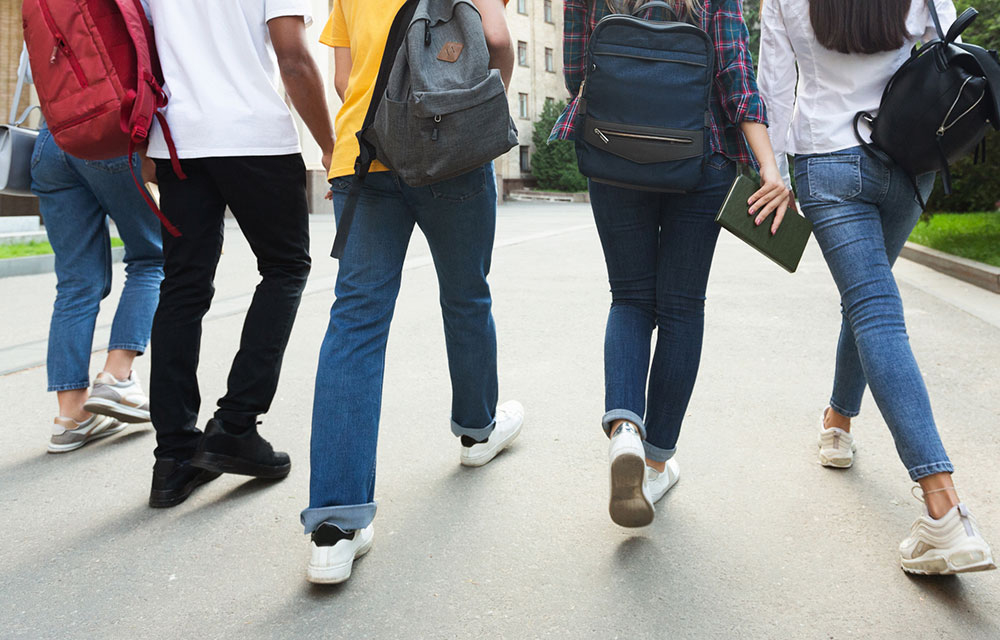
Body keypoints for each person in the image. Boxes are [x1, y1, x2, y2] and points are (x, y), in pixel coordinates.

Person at [758, 0, 995, 574]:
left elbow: (773, 86)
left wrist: (778, 174)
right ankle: (838, 422)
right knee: (871, 304)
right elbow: (943, 29)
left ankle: (944, 510)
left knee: (873, 311)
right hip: (909, 155)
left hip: (827, 163)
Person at [301, 0, 522, 585]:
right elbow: (497, 43)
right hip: (451, 150)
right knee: (467, 296)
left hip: (366, 152)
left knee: (355, 325)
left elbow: (346, 77)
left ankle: (334, 525)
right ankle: (477, 430)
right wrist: (467, 108)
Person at [552, 0, 791, 528]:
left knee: (630, 298)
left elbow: (577, 74)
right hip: (699, 158)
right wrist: (770, 167)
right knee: (682, 309)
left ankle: (625, 433)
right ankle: (656, 461)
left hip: (613, 155)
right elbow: (734, 78)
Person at [140, 0, 335, 508]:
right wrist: (330, 146)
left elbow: (139, 52)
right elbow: (292, 57)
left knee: (182, 287)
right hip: (254, 138)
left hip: (178, 141)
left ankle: (174, 458)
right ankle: (235, 425)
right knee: (286, 267)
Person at [24, 45, 164, 454]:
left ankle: (71, 417)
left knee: (75, 282)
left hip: (51, 141)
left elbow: (33, 76)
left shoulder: (43, 7)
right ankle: (116, 376)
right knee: (152, 257)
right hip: (108, 134)